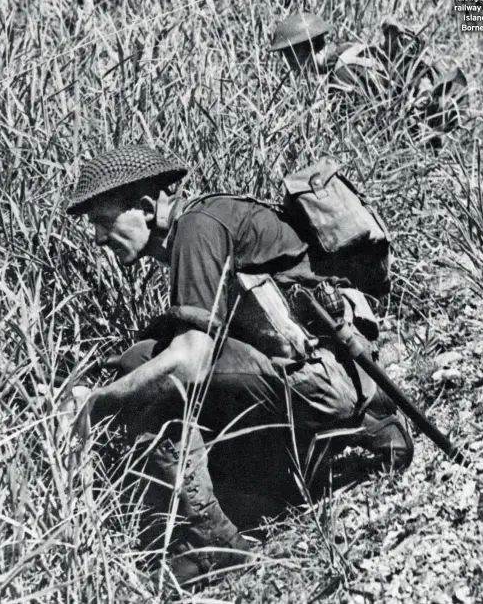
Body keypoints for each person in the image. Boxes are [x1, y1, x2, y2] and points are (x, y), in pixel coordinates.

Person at [64, 144, 414, 588]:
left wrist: (94, 404)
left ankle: (209, 546)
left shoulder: (197, 231)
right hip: (346, 372)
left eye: (101, 220)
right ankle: (362, 424)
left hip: (326, 383)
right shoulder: (209, 218)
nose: (96, 238)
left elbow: (190, 365)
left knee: (146, 365)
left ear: (148, 207)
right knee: (159, 348)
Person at [269, 12, 468, 140]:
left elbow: (358, 137)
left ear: (304, 50)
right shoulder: (350, 50)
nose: (288, 64)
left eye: (288, 55)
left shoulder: (342, 74)